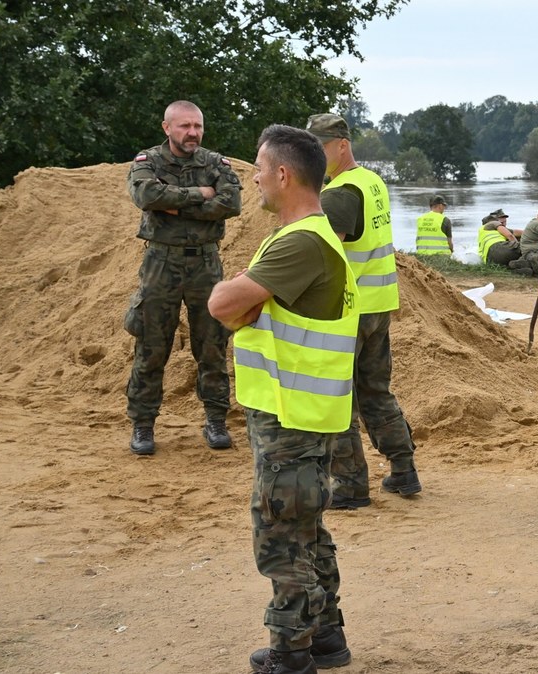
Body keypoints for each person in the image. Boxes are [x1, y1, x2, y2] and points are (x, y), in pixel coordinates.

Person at [207, 124, 356, 674]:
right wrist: (251, 299)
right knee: (306, 527)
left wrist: (244, 298)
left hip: (291, 414)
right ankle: (326, 638)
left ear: (284, 174)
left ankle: (291, 653)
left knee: (281, 534)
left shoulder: (301, 242)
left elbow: (224, 303)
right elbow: (246, 304)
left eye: (259, 168)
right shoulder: (304, 237)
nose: (254, 178)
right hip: (302, 410)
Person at [308, 113, 420, 508]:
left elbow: (326, 254)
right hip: (377, 306)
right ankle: (404, 470)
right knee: (376, 392)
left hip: (347, 310)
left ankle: (351, 486)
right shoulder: (372, 181)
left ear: (342, 144)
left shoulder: (339, 194)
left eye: (320, 148)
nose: (316, 159)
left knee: (337, 398)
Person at [125, 100, 242, 456]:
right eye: (184, 126)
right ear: (167, 128)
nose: (192, 133)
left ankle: (216, 421)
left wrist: (174, 205)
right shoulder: (148, 162)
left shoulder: (214, 162)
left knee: (212, 345)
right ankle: (143, 425)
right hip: (160, 263)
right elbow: (146, 194)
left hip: (206, 265)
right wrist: (200, 196)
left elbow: (232, 202)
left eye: (197, 126)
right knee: (151, 345)